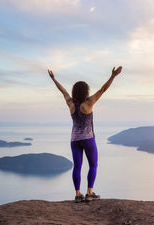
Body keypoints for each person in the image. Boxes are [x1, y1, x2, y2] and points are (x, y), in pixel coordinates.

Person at [48, 66, 122, 202]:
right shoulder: (88, 103)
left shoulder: (70, 103)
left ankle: (77, 194)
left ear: (74, 92)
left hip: (74, 139)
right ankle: (89, 193)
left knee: (77, 166)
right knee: (93, 165)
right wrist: (113, 76)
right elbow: (103, 89)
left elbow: (62, 91)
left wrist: (54, 79)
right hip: (88, 139)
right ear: (86, 91)